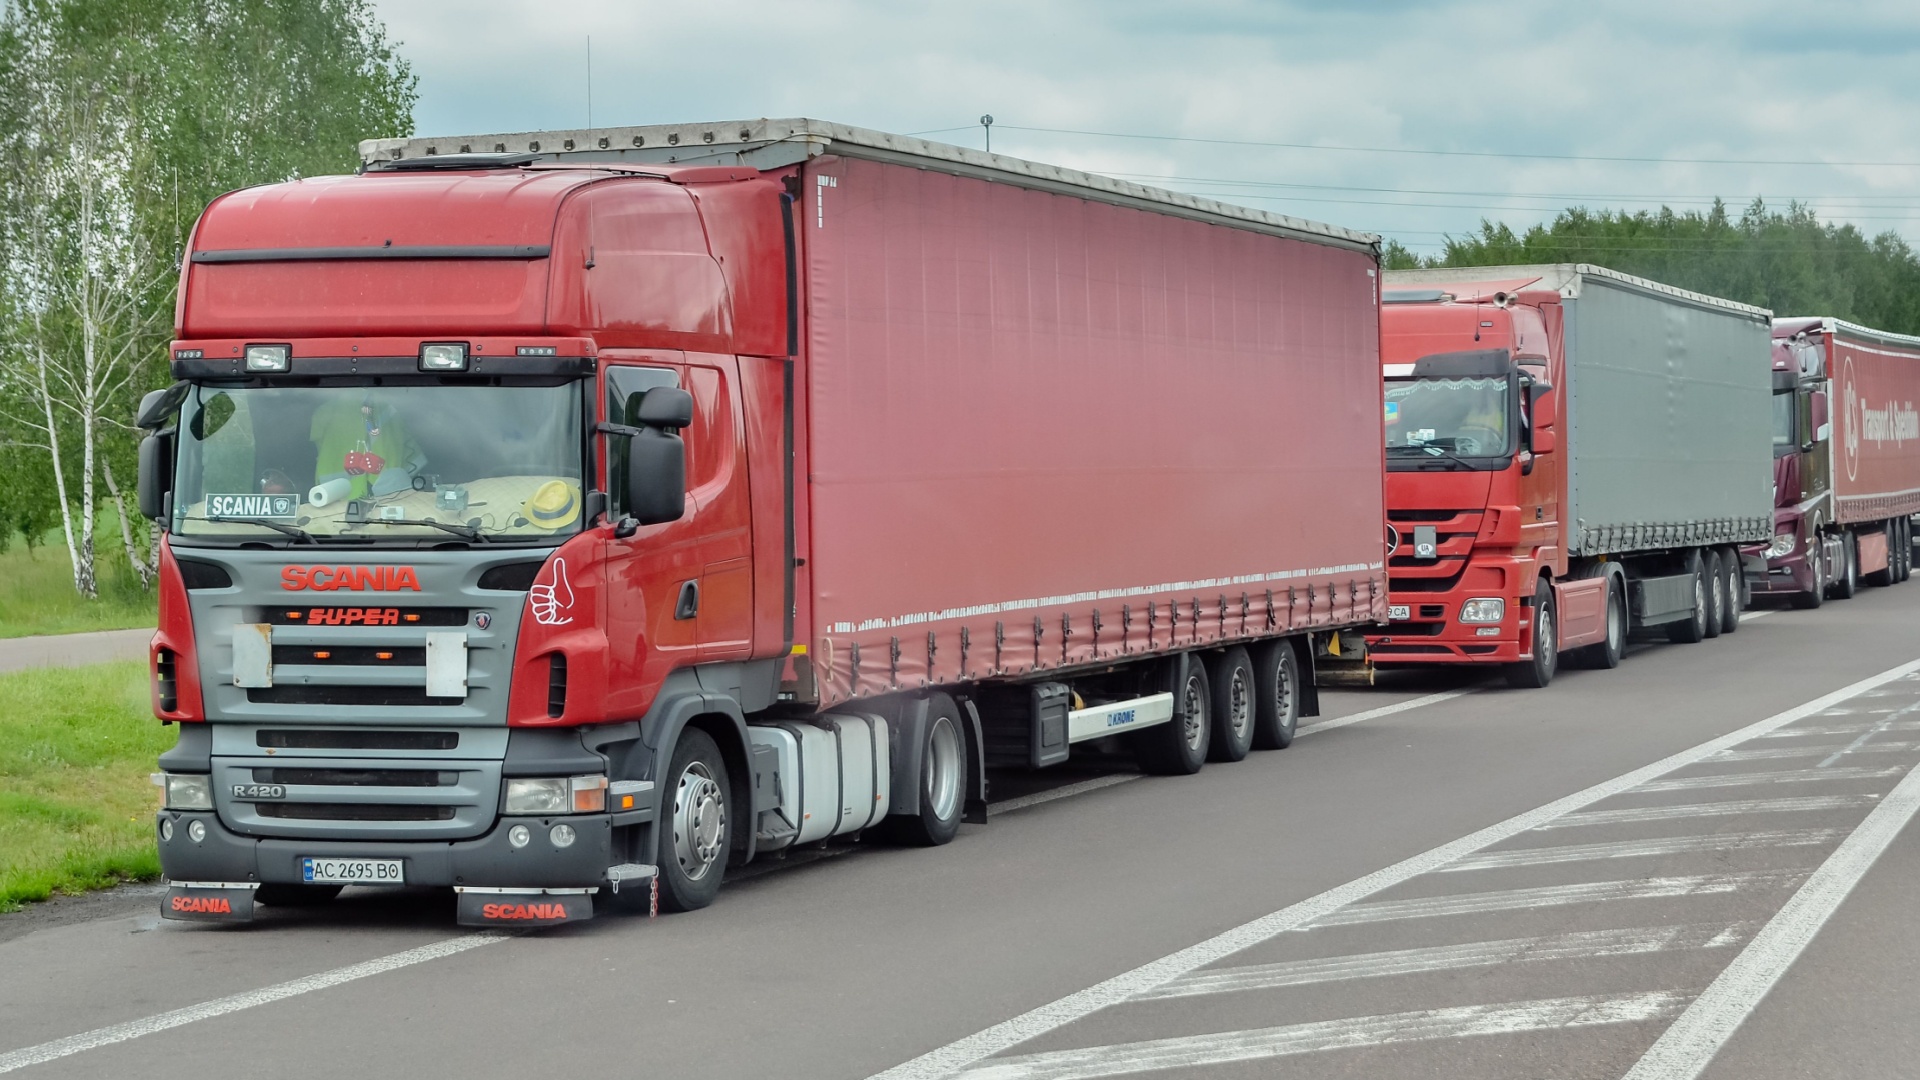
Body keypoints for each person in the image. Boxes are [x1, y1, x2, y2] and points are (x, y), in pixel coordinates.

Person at [310, 391, 426, 499]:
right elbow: (410, 452)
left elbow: (317, 445)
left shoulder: (324, 412)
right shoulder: (388, 408)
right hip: (390, 494)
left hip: (334, 495)